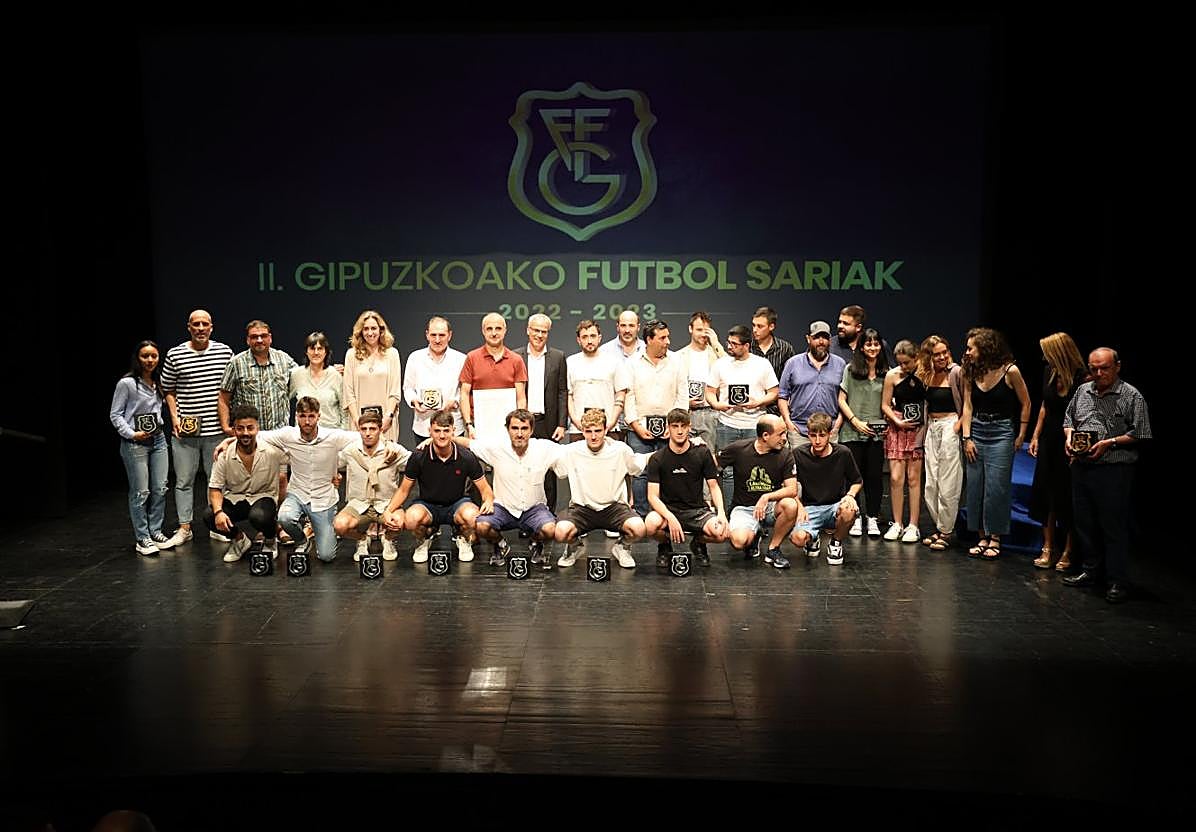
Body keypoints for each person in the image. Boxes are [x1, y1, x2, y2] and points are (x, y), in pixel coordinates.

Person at [1062, 348, 1152, 603]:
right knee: (1085, 522)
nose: (1099, 373)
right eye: (1094, 369)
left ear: (1117, 366)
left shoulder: (1131, 395)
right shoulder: (1083, 391)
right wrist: (1069, 437)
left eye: (1104, 368)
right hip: (1081, 467)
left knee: (1112, 526)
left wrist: (1109, 442)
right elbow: (1069, 418)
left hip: (1114, 469)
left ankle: (1116, 580)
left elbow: (1141, 432)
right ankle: (1090, 571)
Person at [247, 397, 381, 563]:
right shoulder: (288, 435)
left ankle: (324, 533)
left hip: (323, 498)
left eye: (311, 416)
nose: (307, 421)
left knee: (326, 556)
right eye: (303, 416)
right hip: (297, 493)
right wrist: (229, 441)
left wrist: (388, 447)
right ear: (297, 416)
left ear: (318, 416)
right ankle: (302, 540)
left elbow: (365, 437)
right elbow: (257, 435)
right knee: (284, 517)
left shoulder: (332, 436)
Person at [160, 309, 235, 547]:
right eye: (196, 324)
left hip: (217, 431)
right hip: (187, 432)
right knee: (183, 481)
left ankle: (216, 524)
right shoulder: (176, 354)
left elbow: (232, 388)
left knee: (217, 481)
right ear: (189, 327)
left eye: (205, 324)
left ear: (211, 327)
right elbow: (167, 389)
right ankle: (185, 527)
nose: (201, 328)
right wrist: (175, 419)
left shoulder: (224, 352)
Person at [382, 410, 492, 564]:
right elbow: (403, 490)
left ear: (453, 431)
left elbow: (485, 489)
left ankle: (463, 539)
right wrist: (388, 510)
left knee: (473, 517)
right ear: (430, 432)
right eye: (437, 431)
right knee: (411, 519)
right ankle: (424, 540)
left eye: (446, 431)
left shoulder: (466, 457)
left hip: (457, 504)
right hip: (428, 505)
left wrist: (488, 500)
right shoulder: (419, 456)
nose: (442, 436)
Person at [960, 327, 1032, 560]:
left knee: (997, 487)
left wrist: (1021, 434)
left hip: (1001, 431)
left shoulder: (1010, 371)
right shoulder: (970, 371)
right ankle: (981, 535)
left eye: (971, 347)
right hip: (977, 430)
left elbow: (1026, 403)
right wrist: (967, 437)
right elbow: (968, 406)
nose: (968, 352)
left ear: (986, 348)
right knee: (975, 485)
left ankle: (995, 537)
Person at [461, 408, 565, 566]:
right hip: (504, 508)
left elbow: (572, 451)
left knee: (550, 529)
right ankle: (501, 544)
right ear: (507, 429)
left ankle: (536, 542)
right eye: (515, 428)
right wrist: (436, 440)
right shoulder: (496, 448)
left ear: (531, 430)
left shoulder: (544, 448)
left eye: (524, 428)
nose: (519, 433)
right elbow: (468, 443)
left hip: (534, 508)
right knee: (482, 526)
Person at [553, 409, 650, 569]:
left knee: (638, 528)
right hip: (582, 509)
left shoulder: (620, 449)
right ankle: (574, 547)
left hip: (614, 508)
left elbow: (642, 461)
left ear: (606, 430)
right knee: (561, 531)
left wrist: (685, 445)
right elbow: (543, 453)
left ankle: (622, 547)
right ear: (582, 431)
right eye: (588, 431)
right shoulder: (571, 451)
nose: (593, 436)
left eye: (598, 431)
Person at [1028, 332, 1087, 570]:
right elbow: (1044, 405)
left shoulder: (1082, 379)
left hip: (1069, 440)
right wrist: (1035, 435)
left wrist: (1077, 445)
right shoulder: (1049, 373)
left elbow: (1084, 415)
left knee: (1066, 496)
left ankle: (1068, 550)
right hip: (1049, 438)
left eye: (1047, 353)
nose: (1044, 358)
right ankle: (1048, 546)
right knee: (1046, 493)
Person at [110, 340, 174, 556]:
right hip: (135, 443)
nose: (150, 360)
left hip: (157, 440)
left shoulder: (158, 382)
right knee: (141, 492)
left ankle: (155, 530)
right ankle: (142, 537)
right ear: (138, 358)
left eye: (154, 356)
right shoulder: (127, 383)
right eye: (145, 356)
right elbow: (115, 414)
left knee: (160, 488)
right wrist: (131, 433)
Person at [706, 324, 779, 510]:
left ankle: (758, 512)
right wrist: (717, 405)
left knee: (755, 470)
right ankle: (731, 513)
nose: (729, 347)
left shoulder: (761, 364)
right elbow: (709, 391)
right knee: (728, 471)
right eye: (728, 343)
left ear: (747, 345)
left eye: (734, 344)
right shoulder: (720, 364)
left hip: (754, 425)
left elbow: (774, 392)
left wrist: (758, 402)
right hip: (727, 425)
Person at [644, 408, 727, 568]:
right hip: (668, 510)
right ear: (668, 428)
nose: (680, 431)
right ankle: (665, 545)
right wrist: (670, 517)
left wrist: (721, 513)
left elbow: (714, 486)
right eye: (675, 426)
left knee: (721, 533)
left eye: (683, 426)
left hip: (697, 511)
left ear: (689, 427)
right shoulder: (657, 458)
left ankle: (698, 543)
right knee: (650, 524)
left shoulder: (702, 453)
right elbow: (652, 496)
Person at [205, 405, 287, 563]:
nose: (245, 433)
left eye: (250, 428)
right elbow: (215, 488)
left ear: (258, 428)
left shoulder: (273, 451)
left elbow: (301, 459)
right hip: (235, 498)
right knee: (209, 515)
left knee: (259, 516)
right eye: (240, 428)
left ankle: (270, 540)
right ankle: (239, 539)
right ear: (234, 429)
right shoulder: (224, 455)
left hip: (263, 498)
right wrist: (218, 513)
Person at [623, 319, 689, 516]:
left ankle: (667, 515)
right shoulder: (632, 363)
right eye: (662, 338)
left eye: (667, 336)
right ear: (649, 340)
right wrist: (635, 424)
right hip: (640, 428)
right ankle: (642, 516)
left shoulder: (677, 361)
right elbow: (628, 395)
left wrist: (676, 424)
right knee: (641, 473)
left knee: (670, 472)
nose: (668, 341)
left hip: (670, 428)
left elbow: (682, 395)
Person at [717, 414, 800, 568]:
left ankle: (773, 549)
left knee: (790, 505)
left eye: (785, 433)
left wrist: (766, 497)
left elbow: (792, 489)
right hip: (744, 508)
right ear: (765, 436)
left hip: (769, 508)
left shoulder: (785, 454)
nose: (784, 438)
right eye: (780, 434)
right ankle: (754, 536)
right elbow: (712, 464)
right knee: (738, 541)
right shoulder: (739, 449)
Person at [334, 410, 411, 562]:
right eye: (364, 429)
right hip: (359, 503)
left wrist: (427, 442)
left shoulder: (393, 451)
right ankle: (362, 539)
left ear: (380, 430)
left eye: (372, 429)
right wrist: (334, 476)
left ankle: (388, 539)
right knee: (340, 525)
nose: (368, 433)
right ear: (359, 430)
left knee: (401, 521)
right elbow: (332, 464)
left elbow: (417, 462)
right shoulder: (351, 451)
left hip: (386, 504)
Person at [788, 411, 862, 565]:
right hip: (810, 508)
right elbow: (788, 484)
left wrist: (850, 495)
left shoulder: (842, 453)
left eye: (822, 435)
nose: (817, 440)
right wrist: (798, 506)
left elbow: (857, 481)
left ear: (830, 434)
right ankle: (812, 538)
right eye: (813, 435)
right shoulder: (798, 454)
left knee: (849, 511)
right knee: (798, 539)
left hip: (835, 506)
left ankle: (835, 543)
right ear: (807, 435)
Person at [836, 327, 890, 538]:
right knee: (854, 477)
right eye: (868, 344)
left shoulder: (888, 373)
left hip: (876, 435)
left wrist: (886, 423)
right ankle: (856, 517)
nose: (873, 347)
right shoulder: (850, 369)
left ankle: (873, 518)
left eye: (876, 344)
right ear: (861, 347)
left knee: (875, 478)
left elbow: (890, 402)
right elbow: (841, 399)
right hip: (852, 432)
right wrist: (854, 421)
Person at [916, 335, 965, 551]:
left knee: (948, 481)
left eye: (945, 352)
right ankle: (939, 526)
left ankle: (946, 531)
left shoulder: (956, 372)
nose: (942, 357)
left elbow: (969, 402)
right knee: (931, 482)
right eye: (937, 354)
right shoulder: (926, 374)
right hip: (932, 427)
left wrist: (959, 425)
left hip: (950, 424)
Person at [513, 314, 567, 510]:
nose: (539, 335)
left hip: (548, 422)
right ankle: (525, 514)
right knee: (523, 469)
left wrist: (562, 424)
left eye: (543, 331)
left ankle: (549, 513)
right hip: (523, 423)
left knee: (548, 471)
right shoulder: (515, 356)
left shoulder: (558, 357)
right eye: (535, 330)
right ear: (528, 330)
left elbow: (562, 391)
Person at [880, 339, 927, 543]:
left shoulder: (925, 373)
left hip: (917, 429)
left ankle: (913, 525)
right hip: (898, 428)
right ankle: (897, 523)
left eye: (907, 362)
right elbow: (885, 405)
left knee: (914, 478)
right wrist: (897, 421)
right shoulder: (892, 375)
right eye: (900, 363)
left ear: (915, 358)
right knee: (896, 478)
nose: (904, 366)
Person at [778, 320, 847, 449]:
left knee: (828, 468)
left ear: (830, 340)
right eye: (816, 337)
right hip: (799, 430)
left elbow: (844, 397)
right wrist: (788, 422)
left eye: (825, 337)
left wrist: (838, 423)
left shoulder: (840, 364)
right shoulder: (793, 363)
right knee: (798, 468)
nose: (821, 342)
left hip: (829, 431)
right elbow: (782, 396)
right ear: (808, 339)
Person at [219, 319, 297, 432]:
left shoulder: (285, 360)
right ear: (248, 340)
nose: (259, 340)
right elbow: (223, 397)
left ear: (270, 338)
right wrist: (226, 427)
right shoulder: (236, 363)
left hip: (280, 435)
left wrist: (330, 369)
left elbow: (304, 376)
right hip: (249, 435)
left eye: (263, 336)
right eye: (254, 337)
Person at [459, 312, 528, 441]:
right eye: (489, 329)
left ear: (505, 331)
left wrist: (518, 426)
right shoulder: (472, 358)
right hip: (477, 428)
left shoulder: (516, 360)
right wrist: (469, 424)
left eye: (498, 328)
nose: (494, 333)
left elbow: (521, 398)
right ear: (483, 331)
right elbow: (464, 393)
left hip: (508, 431)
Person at [404, 315, 467, 440]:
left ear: (449, 335)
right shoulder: (415, 358)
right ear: (427, 335)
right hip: (423, 426)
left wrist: (455, 401)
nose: (437, 340)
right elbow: (408, 388)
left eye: (442, 335)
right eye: (433, 335)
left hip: (453, 426)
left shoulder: (461, 359)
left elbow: (464, 391)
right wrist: (414, 401)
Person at [343, 310, 402, 440]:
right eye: (366, 329)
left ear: (381, 330)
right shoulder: (351, 355)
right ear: (360, 332)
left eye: (373, 328)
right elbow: (348, 392)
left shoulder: (392, 354)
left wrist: (388, 416)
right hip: (358, 423)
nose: (370, 333)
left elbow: (395, 391)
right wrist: (358, 420)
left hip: (385, 423)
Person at [567, 319, 629, 439]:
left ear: (599, 338)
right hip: (579, 429)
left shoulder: (614, 362)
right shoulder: (570, 362)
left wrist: (611, 421)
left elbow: (621, 393)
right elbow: (568, 395)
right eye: (584, 337)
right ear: (578, 340)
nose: (589, 341)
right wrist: (576, 420)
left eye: (593, 336)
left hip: (609, 428)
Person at [676, 311, 725, 450]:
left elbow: (731, 369)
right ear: (690, 329)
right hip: (687, 413)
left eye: (706, 330)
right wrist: (685, 402)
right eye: (699, 330)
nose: (703, 334)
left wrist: (716, 344)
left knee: (710, 457)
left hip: (712, 412)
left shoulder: (716, 354)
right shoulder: (679, 356)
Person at [289, 331, 345, 429]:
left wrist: (343, 433)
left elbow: (344, 409)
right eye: (312, 348)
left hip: (331, 433)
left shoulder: (336, 375)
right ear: (306, 351)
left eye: (320, 349)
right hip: (303, 435)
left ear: (326, 351)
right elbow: (284, 400)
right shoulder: (296, 375)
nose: (316, 352)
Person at [750, 306, 796, 415]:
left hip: (777, 409)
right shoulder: (748, 348)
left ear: (771, 326)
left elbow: (792, 379)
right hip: (751, 409)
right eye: (753, 325)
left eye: (760, 326)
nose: (755, 330)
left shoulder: (785, 349)